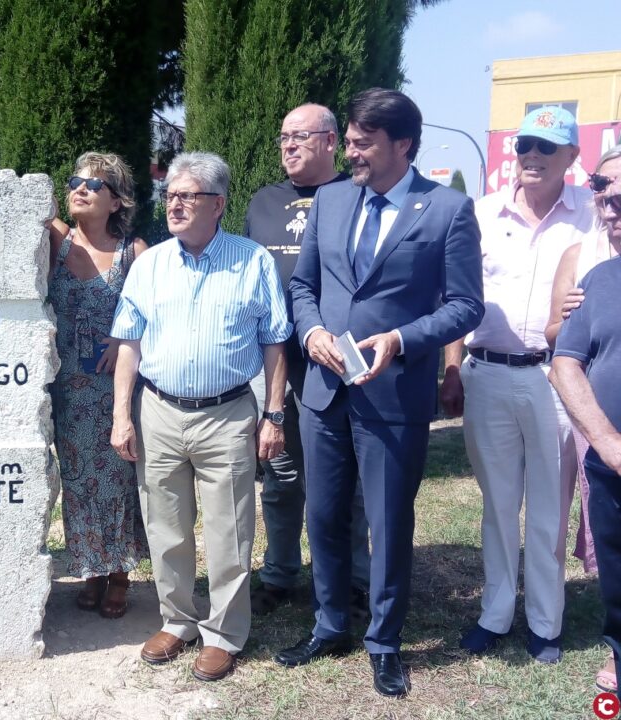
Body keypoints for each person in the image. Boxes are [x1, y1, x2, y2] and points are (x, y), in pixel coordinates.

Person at [279, 88, 484, 697]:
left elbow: (466, 305)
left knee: (389, 523)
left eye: (363, 143)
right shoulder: (332, 198)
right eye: (348, 141)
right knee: (323, 515)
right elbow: (304, 286)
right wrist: (311, 331)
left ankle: (385, 642)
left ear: (403, 144)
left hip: (394, 395)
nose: (351, 153)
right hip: (324, 392)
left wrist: (400, 339)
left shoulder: (447, 210)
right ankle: (329, 625)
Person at [110, 151, 290, 682]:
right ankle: (178, 620)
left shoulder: (252, 261)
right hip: (159, 412)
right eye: (170, 196)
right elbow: (129, 343)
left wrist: (274, 415)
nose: (175, 205)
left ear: (218, 204)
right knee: (165, 526)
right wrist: (122, 416)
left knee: (229, 530)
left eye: (188, 196)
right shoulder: (149, 265)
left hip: (227, 414)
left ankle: (224, 634)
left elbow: (275, 342)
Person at [440, 107, 598, 664]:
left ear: (571, 157)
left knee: (551, 507)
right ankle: (496, 612)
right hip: (486, 373)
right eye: (525, 144)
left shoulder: (592, 215)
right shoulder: (482, 213)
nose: (532, 155)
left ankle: (546, 623)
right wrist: (452, 368)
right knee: (499, 503)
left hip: (558, 377)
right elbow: (456, 297)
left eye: (546, 147)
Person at [244, 103, 370, 616]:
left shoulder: (357, 195)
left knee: (348, 479)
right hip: (276, 361)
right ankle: (279, 572)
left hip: (337, 361)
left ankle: (353, 579)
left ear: (331, 141)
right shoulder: (263, 202)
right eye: (283, 137)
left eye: (299, 136)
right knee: (280, 473)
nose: (288, 145)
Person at [46, 151, 148, 618]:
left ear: (117, 201)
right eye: (75, 182)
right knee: (77, 480)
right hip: (68, 390)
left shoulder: (134, 252)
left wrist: (122, 339)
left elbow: (155, 314)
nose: (80, 190)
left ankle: (120, 574)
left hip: (116, 390)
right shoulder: (56, 240)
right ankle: (91, 569)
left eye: (94, 185)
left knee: (118, 480)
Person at [544, 145, 621, 691]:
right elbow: (564, 362)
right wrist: (609, 442)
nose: (610, 209)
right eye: (604, 197)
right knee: (616, 564)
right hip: (610, 458)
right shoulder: (599, 278)